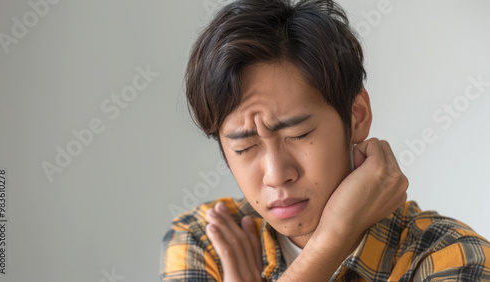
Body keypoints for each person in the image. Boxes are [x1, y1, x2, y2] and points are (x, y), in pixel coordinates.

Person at [160, 0, 490, 281]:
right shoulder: (207, 241)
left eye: (298, 134)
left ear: (357, 115)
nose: (277, 175)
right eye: (244, 147)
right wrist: (330, 242)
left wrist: (331, 240)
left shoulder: (453, 257)